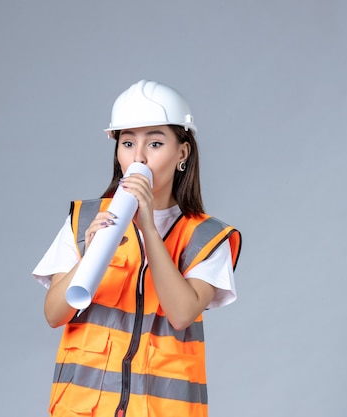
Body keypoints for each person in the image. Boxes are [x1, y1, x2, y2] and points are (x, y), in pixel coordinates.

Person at [32, 79, 241, 417]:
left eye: (155, 143)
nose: (138, 156)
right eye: (127, 142)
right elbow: (54, 314)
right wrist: (89, 253)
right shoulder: (85, 220)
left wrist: (148, 227)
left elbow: (182, 313)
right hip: (82, 409)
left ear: (182, 153)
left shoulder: (206, 237)